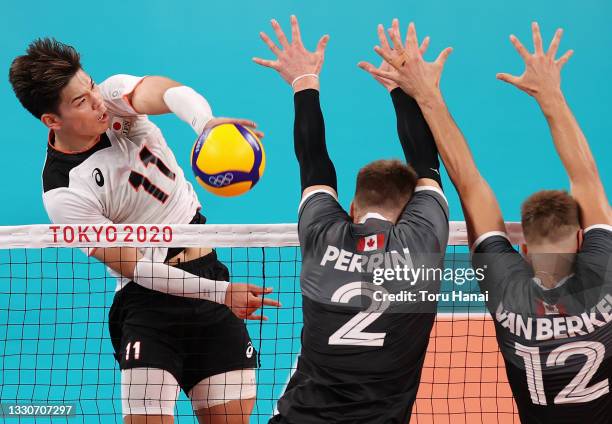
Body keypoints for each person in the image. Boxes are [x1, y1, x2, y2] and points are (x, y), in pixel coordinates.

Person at [9, 38, 280, 424]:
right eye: (81, 101)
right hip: (149, 301)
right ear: (52, 120)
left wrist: (205, 124)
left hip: (207, 274)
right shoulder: (65, 191)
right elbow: (133, 267)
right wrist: (223, 294)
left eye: (90, 86)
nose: (97, 101)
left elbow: (168, 92)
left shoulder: (114, 98)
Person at [360, 20, 612, 423]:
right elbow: (587, 176)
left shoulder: (506, 286)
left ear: (524, 250)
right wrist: (551, 96)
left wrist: (427, 96)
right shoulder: (603, 273)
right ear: (582, 239)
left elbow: (468, 180)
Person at [253, 16, 449, 423]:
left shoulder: (323, 233)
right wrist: (403, 88)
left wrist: (304, 80)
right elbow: (427, 163)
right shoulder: (423, 239)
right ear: (410, 207)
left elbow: (314, 162)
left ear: (352, 209)